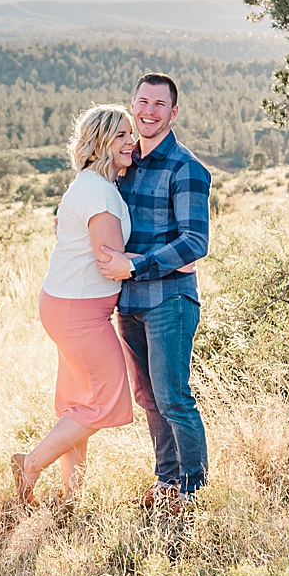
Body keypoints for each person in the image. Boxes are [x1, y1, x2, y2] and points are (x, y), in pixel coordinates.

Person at [10, 105, 140, 507]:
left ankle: (71, 497)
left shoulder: (89, 184)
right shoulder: (100, 193)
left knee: (78, 403)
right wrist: (170, 259)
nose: (130, 142)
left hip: (68, 306)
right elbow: (112, 262)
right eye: (120, 135)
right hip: (80, 313)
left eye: (131, 134)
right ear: (99, 141)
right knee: (107, 402)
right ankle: (30, 465)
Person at [95, 72, 210, 509]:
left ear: (173, 112)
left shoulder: (187, 168)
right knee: (147, 397)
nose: (148, 111)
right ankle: (166, 482)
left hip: (169, 301)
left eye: (159, 104)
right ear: (133, 104)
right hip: (130, 303)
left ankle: (193, 492)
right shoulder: (125, 165)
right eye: (142, 101)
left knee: (173, 397)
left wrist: (136, 265)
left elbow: (194, 243)